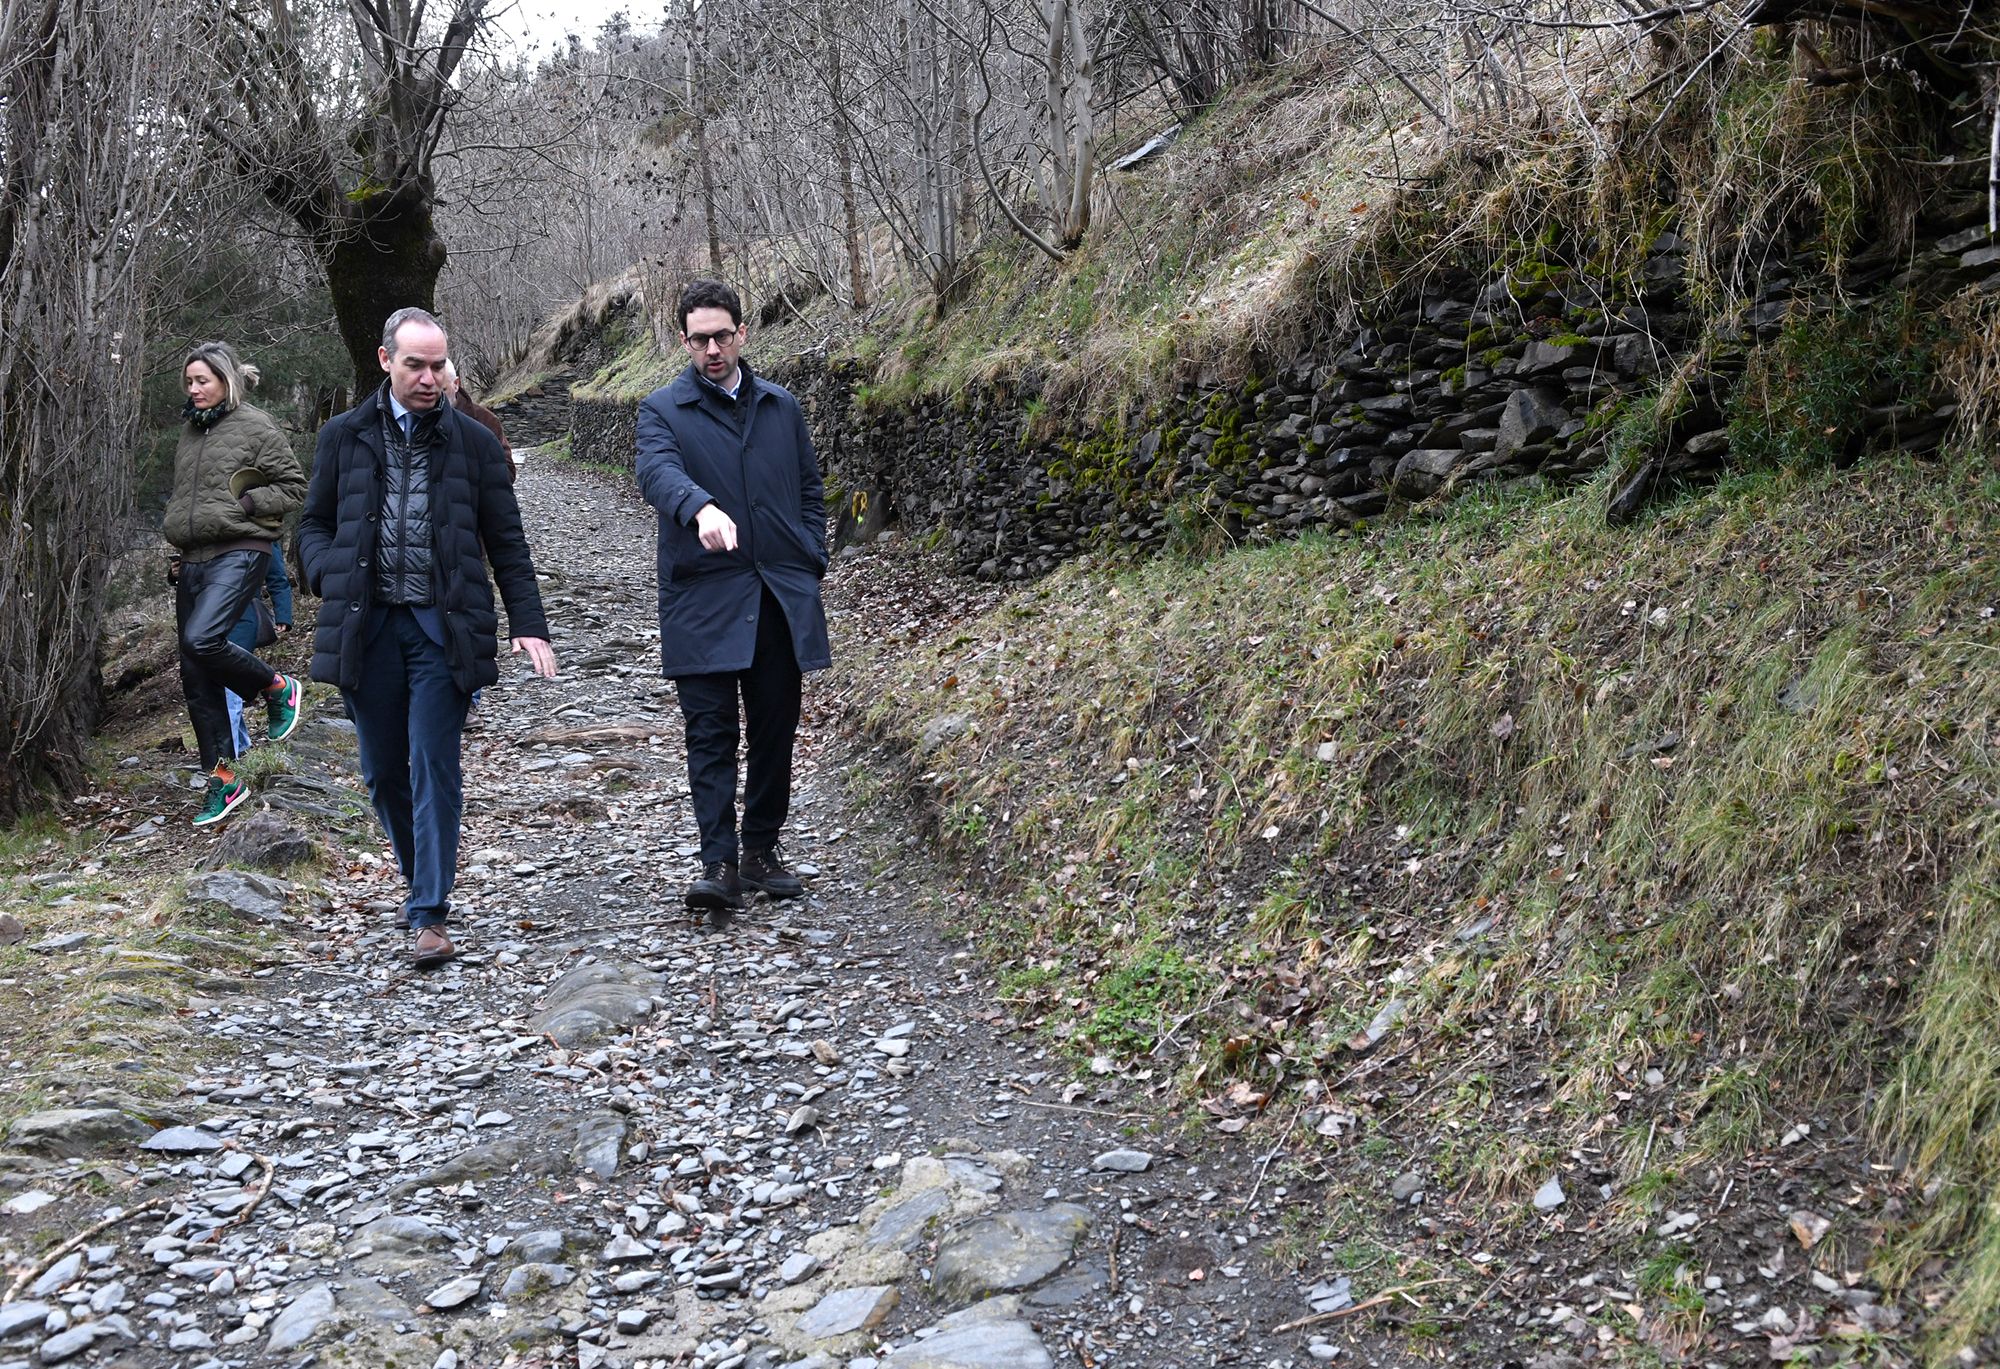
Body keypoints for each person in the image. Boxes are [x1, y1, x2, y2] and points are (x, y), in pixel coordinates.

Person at [298, 307, 557, 970]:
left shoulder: (473, 442)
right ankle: (423, 883)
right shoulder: (343, 436)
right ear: (386, 361)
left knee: (434, 762)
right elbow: (311, 532)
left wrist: (528, 623)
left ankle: (430, 913)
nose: (429, 377)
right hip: (369, 629)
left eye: (438, 364)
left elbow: (508, 541)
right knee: (383, 774)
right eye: (415, 364)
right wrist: (336, 573)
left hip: (443, 632)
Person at [636, 279, 831, 922]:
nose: (713, 348)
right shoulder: (663, 410)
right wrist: (699, 509)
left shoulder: (781, 406)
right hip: (703, 596)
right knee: (712, 736)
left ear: (742, 334)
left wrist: (810, 555)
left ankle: (761, 851)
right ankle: (717, 862)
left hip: (778, 594)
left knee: (776, 730)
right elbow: (657, 473)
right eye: (700, 339)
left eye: (722, 336)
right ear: (685, 342)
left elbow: (808, 487)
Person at [163, 341, 308, 827]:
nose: (194, 389)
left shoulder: (255, 424)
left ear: (226, 380)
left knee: (202, 639)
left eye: (202, 380)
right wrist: (179, 548)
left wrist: (244, 507)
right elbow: (189, 502)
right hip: (195, 558)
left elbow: (294, 486)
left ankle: (277, 688)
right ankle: (224, 780)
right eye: (189, 381)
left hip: (242, 549)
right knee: (196, 676)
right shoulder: (188, 432)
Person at [224, 555, 295, 755]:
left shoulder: (255, 527)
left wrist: (283, 613)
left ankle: (229, 755)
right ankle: (241, 746)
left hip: (242, 616)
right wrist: (176, 575)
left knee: (228, 683)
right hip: (208, 617)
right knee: (220, 684)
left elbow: (276, 575)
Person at [444, 360, 515, 482]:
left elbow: (507, 473)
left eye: (442, 390)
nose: (436, 398)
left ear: (456, 384)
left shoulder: (485, 420)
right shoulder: (414, 418)